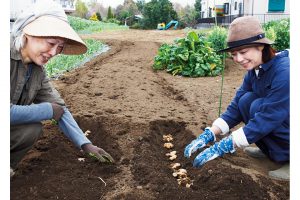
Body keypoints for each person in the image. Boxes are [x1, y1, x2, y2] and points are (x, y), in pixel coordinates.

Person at [10, 0, 114, 177]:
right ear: (28, 33)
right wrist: (46, 110)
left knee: (31, 130)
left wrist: (85, 144)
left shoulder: (36, 71)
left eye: (59, 47)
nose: (53, 53)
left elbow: (59, 108)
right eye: (50, 43)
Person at [184, 16, 289, 181]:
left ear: (260, 46)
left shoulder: (285, 72)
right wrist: (211, 133)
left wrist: (226, 145)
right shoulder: (255, 71)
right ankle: (271, 149)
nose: (238, 59)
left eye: (243, 52)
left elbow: (270, 116)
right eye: (234, 54)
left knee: (258, 107)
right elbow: (236, 108)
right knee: (246, 101)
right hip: (279, 119)